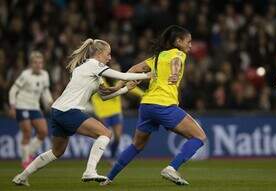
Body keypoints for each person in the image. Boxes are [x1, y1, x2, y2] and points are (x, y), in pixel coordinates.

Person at [12, 38, 152, 186]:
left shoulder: (88, 70)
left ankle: (22, 176)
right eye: (108, 54)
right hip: (69, 110)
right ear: (99, 53)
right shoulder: (94, 65)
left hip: (58, 110)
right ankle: (90, 171)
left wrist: (125, 89)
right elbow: (123, 76)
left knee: (56, 152)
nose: (110, 57)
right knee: (105, 133)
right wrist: (147, 76)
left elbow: (105, 96)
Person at [100, 25, 207, 186]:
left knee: (137, 145)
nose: (190, 45)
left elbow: (134, 69)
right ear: (178, 41)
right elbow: (176, 62)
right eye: (188, 41)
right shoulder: (178, 53)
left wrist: (118, 85)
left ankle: (109, 178)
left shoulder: (157, 57)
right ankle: (172, 168)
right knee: (199, 137)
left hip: (147, 105)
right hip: (164, 105)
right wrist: (175, 73)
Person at [91, 62, 144, 162]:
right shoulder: (100, 81)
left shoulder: (118, 81)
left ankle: (112, 157)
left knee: (118, 138)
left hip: (116, 112)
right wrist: (124, 88)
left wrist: (143, 94)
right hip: (102, 113)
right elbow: (108, 93)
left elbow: (133, 88)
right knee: (104, 137)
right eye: (115, 70)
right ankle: (95, 158)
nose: (118, 72)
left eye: (118, 70)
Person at [8, 51, 53, 169]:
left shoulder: (45, 74)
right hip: (22, 105)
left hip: (35, 107)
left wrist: (50, 102)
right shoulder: (25, 75)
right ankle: (25, 161)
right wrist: (12, 106)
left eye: (40, 63)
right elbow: (13, 90)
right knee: (27, 132)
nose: (38, 65)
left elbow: (45, 91)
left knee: (43, 132)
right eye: (36, 63)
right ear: (31, 64)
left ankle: (28, 154)